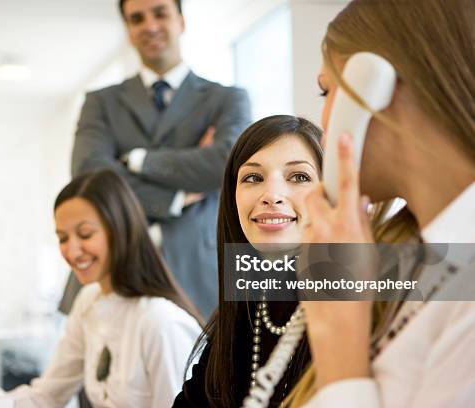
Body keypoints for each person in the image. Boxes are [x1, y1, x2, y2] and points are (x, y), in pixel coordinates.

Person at [286, 0, 475, 406]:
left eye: (327, 90)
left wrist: (339, 339)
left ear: (375, 86)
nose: (323, 128)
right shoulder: (422, 264)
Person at [69, 0, 252, 319]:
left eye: (160, 13)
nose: (150, 26)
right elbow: (90, 175)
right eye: (137, 19)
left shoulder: (227, 99)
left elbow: (225, 164)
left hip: (202, 273)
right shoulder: (101, 102)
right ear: (128, 31)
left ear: (180, 21)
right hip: (113, 266)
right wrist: (175, 196)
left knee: (208, 369)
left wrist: (139, 161)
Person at [10, 169, 203, 408]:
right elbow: (47, 396)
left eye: (85, 234)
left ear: (119, 230)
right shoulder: (89, 301)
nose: (72, 251)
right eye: (63, 238)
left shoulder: (160, 322)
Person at [173, 115, 323, 407]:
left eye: (299, 177)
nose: (272, 195)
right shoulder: (241, 308)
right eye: (253, 178)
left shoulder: (358, 309)